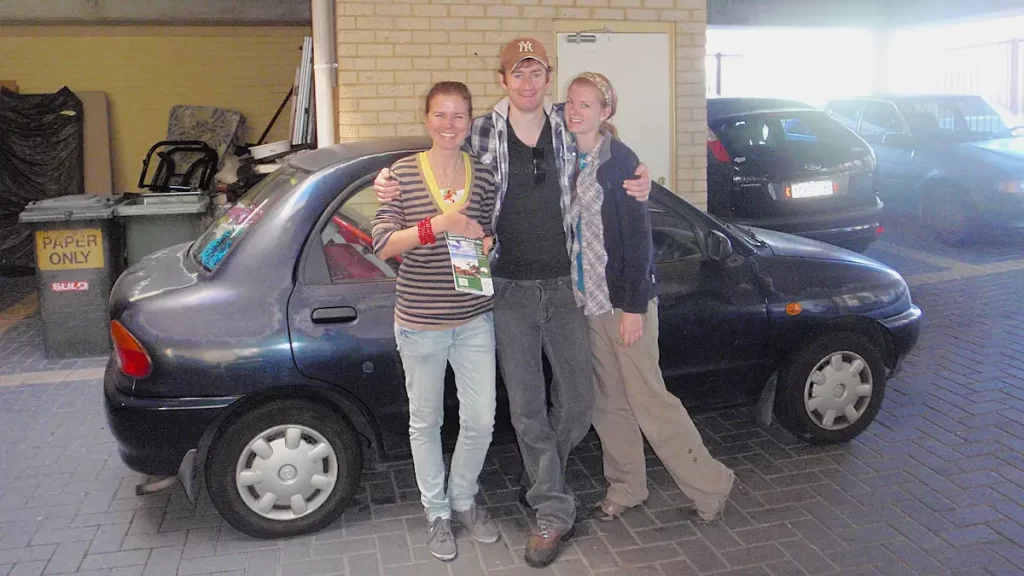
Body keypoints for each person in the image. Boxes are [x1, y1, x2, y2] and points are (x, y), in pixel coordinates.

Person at [374, 38, 652, 568]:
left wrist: (642, 177)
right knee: (526, 409)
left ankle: (542, 470)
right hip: (506, 291)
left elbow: (609, 150)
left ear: (547, 76)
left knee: (578, 399)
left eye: (537, 74)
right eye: (517, 74)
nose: (528, 84)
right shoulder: (483, 131)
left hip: (565, 287)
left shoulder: (569, 125)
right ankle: (551, 507)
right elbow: (438, 159)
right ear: (502, 80)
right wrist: (386, 179)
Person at [563, 71, 736, 525]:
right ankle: (627, 486)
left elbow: (639, 240)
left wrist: (635, 307)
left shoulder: (621, 162)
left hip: (624, 304)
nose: (575, 110)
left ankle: (711, 484)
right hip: (589, 300)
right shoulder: (567, 158)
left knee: (650, 401)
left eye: (586, 104)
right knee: (610, 402)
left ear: (606, 112)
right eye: (570, 103)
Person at [371, 81, 501, 562]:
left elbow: (486, 236)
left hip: (472, 318)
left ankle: (463, 498)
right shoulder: (402, 174)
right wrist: (439, 224)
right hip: (420, 320)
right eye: (441, 115)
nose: (450, 125)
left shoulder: (482, 175)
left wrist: (485, 246)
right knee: (426, 422)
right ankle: (436, 512)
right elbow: (383, 244)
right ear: (427, 119)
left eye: (459, 117)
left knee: (481, 419)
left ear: (470, 122)